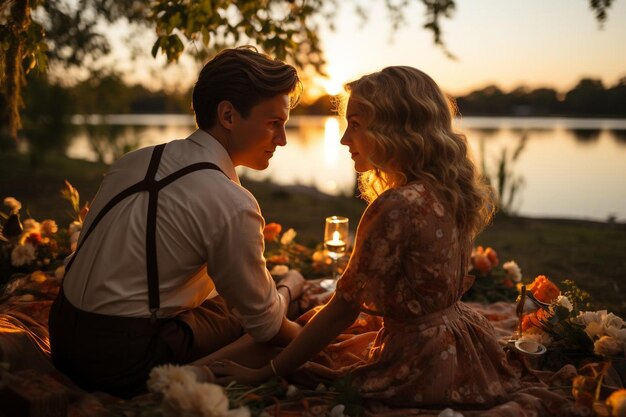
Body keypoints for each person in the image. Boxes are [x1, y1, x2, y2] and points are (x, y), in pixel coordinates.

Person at [205, 66, 577, 416]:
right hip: (464, 341)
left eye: (356, 125)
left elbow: (344, 309)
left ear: (395, 129)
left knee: (313, 347)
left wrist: (268, 371)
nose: (344, 138)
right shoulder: (447, 189)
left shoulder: (397, 205)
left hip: (418, 362)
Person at [48, 46, 306, 398]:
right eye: (274, 123)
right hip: (119, 361)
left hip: (62, 329)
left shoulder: (133, 160)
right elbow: (267, 327)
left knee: (239, 289)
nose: (283, 139)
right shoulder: (231, 202)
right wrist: (300, 317)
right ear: (228, 115)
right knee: (244, 307)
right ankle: (290, 288)